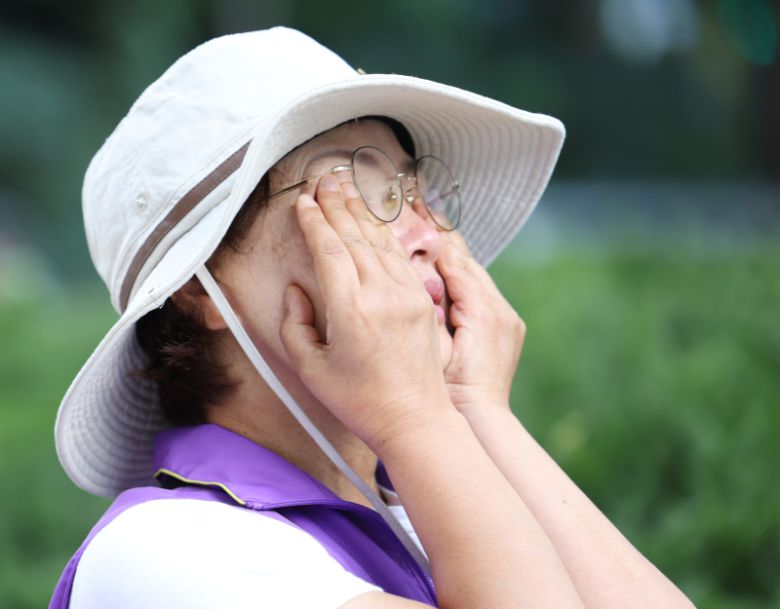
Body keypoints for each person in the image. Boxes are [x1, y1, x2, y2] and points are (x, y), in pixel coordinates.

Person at [49, 27, 695, 609]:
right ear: (200, 290)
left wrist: (476, 410)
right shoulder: (161, 551)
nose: (428, 234)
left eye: (417, 190)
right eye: (358, 195)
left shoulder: (421, 506)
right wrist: (417, 415)